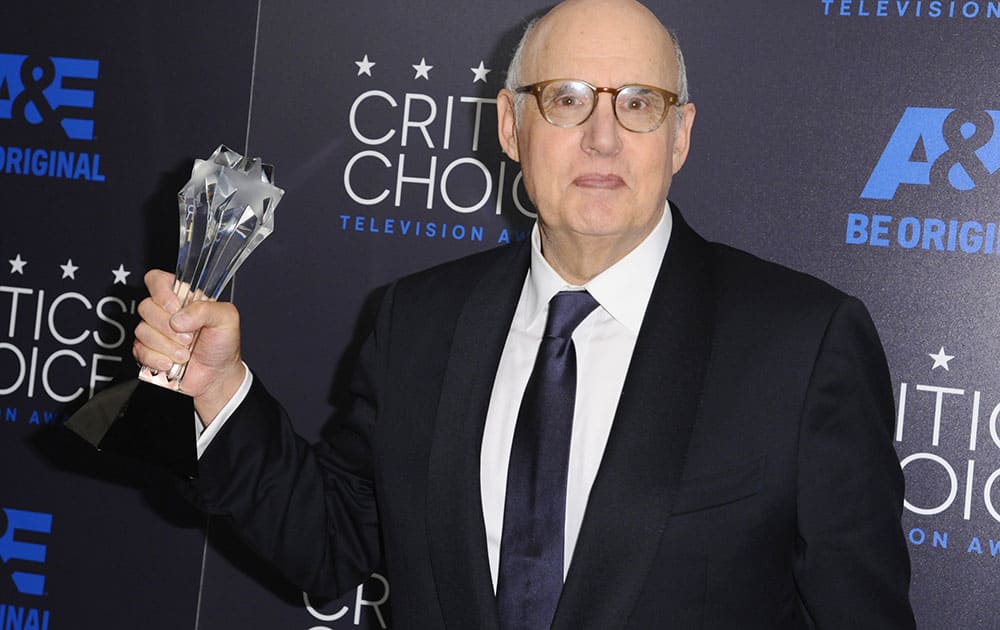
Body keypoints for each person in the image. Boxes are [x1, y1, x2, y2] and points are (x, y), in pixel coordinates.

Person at [131, 0, 915, 627]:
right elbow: (338, 539)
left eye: (640, 103)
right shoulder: (418, 322)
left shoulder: (803, 343)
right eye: (566, 100)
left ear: (679, 136)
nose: (603, 137)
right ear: (511, 126)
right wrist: (217, 389)